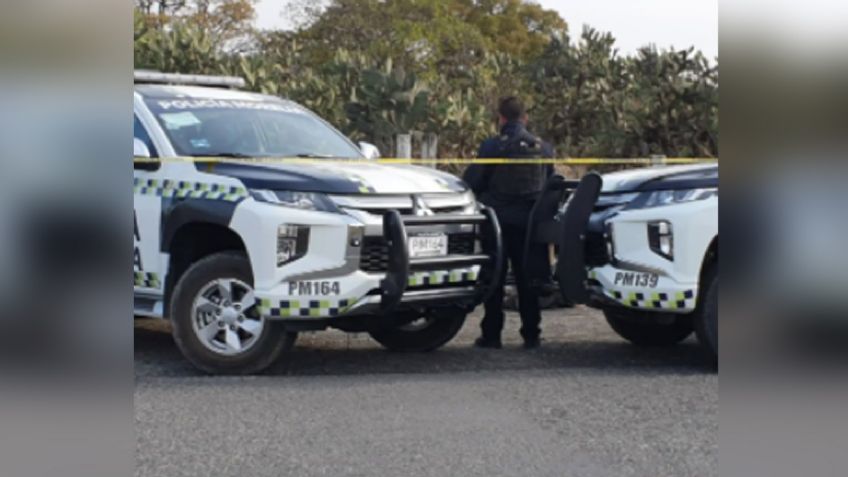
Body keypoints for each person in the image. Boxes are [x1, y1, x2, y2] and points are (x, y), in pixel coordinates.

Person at [464, 97, 554, 350]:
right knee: (528, 281)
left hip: (498, 224)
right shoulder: (544, 149)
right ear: (524, 118)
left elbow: (473, 180)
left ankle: (492, 336)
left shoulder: (492, 147)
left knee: (495, 280)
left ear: (501, 119)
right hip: (529, 225)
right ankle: (532, 335)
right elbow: (550, 184)